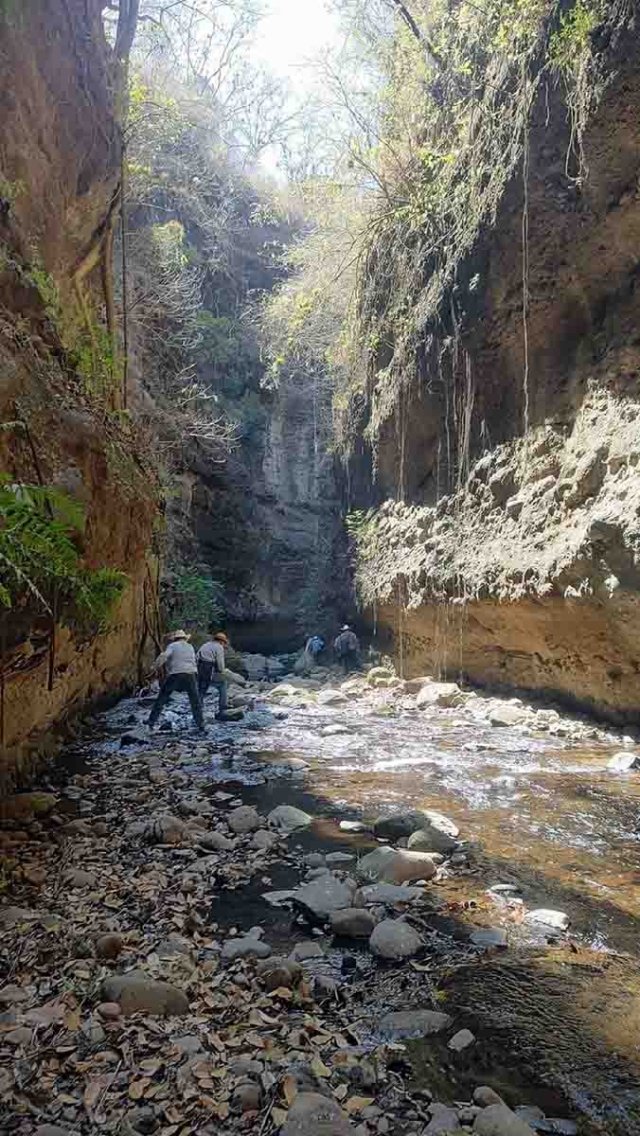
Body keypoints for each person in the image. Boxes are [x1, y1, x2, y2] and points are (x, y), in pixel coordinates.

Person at [148, 630, 204, 732]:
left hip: (176, 674)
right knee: (194, 700)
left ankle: (151, 722)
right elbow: (194, 660)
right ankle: (200, 724)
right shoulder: (190, 646)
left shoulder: (173, 646)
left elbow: (164, 656)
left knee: (162, 698)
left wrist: (154, 667)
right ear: (184, 638)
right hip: (191, 674)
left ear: (175, 639)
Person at [197, 630, 230, 720]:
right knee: (223, 684)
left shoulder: (205, 644)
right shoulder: (219, 647)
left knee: (201, 690)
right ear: (221, 641)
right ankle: (222, 708)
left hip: (200, 669)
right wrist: (223, 671)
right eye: (224, 643)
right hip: (209, 669)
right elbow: (220, 663)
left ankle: (198, 711)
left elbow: (197, 657)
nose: (223, 645)